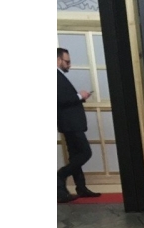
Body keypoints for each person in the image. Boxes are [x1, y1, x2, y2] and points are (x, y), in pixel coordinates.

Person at [57, 48, 101, 203]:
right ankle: (60, 176)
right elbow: (59, 99)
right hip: (70, 123)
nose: (69, 65)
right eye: (67, 61)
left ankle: (80, 187)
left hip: (70, 123)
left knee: (76, 156)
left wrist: (79, 98)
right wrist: (78, 96)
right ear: (58, 60)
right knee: (85, 153)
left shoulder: (59, 76)